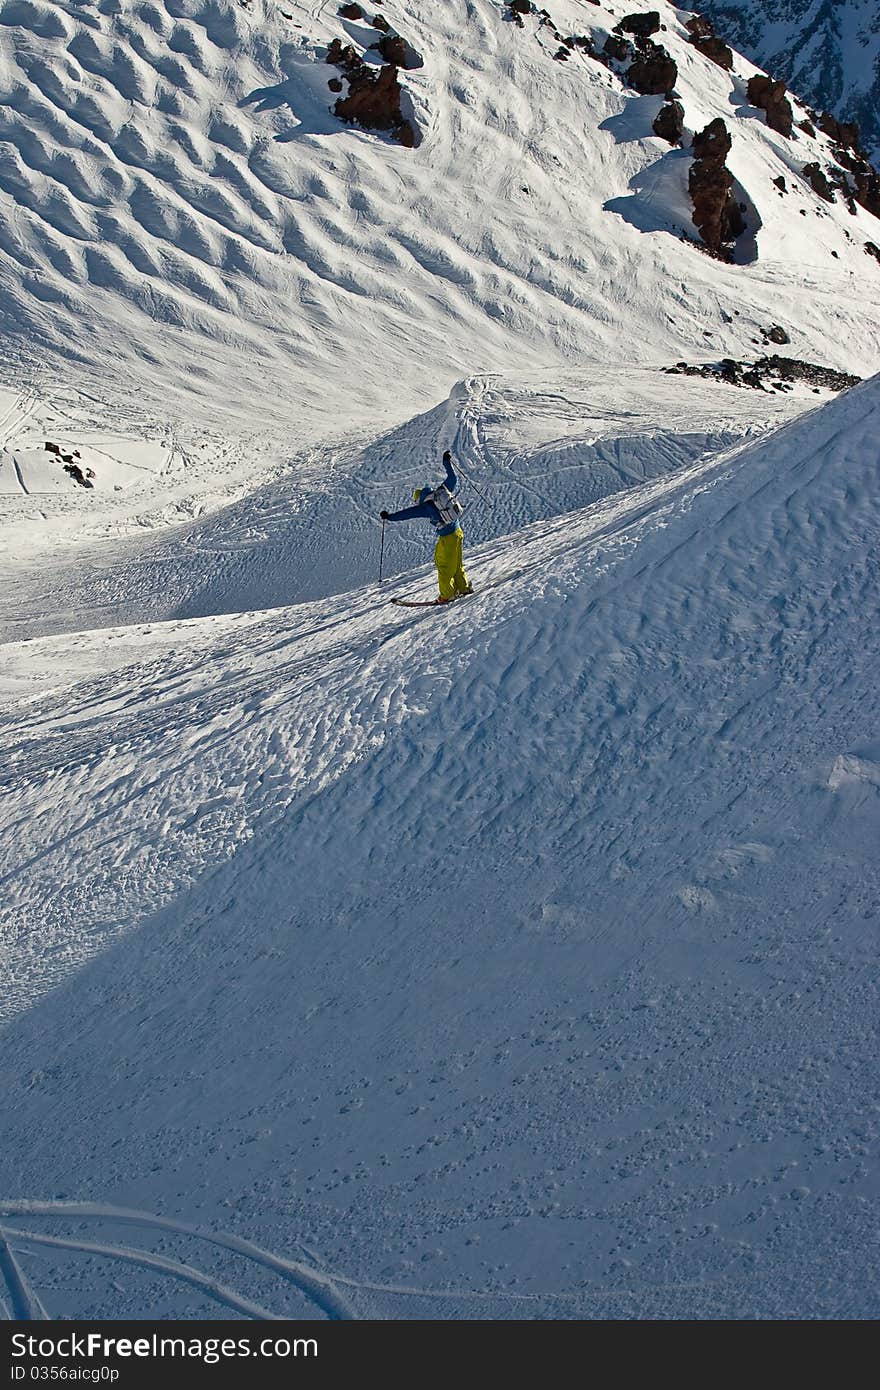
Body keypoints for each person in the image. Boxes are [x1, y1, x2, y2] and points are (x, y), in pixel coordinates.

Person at [380, 450, 473, 603]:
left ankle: (446, 595)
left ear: (420, 499)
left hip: (447, 537)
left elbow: (405, 514)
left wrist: (389, 516)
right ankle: (463, 588)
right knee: (457, 564)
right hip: (458, 531)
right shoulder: (443, 491)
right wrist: (446, 462)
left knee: (444, 567)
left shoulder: (426, 507)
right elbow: (453, 477)